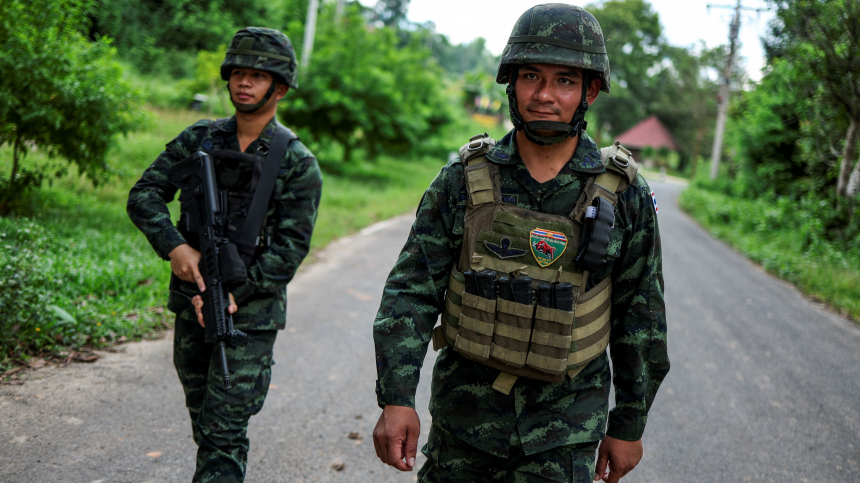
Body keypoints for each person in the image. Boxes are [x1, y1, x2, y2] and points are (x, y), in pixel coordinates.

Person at [371, 4, 669, 483]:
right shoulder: (462, 180)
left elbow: (641, 315)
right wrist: (396, 396)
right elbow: (411, 291)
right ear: (511, 82)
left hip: (565, 434)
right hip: (464, 424)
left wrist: (629, 423)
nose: (545, 95)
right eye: (531, 76)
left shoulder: (624, 194)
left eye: (565, 81)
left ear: (590, 90)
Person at [127, 27, 322, 482]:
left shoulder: (297, 162)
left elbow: (290, 250)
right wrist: (174, 245)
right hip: (189, 303)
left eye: (257, 75)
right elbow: (145, 194)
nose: (244, 83)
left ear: (280, 87)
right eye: (238, 73)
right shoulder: (200, 138)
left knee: (223, 432)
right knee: (206, 424)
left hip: (248, 319)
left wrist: (235, 291)